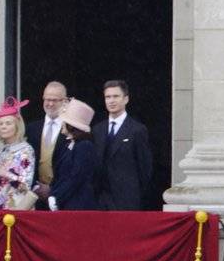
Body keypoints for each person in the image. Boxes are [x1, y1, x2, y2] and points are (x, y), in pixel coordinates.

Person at [93, 79, 153, 210]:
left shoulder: (137, 130)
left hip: (126, 200)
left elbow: (145, 169)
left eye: (116, 96)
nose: (111, 101)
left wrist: (133, 193)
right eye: (108, 97)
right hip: (100, 200)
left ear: (126, 99)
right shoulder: (98, 130)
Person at [48, 99, 99, 210]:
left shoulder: (85, 146)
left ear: (71, 126)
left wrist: (57, 197)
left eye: (64, 122)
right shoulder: (69, 145)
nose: (61, 124)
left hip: (78, 205)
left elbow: (76, 177)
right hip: (66, 203)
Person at [0, 97, 36, 211]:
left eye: (8, 123)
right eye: (0, 124)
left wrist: (3, 172)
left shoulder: (26, 150)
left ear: (17, 125)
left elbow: (25, 184)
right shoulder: (1, 151)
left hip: (16, 207)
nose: (3, 126)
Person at [27, 81, 69, 199]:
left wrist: (53, 189)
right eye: (47, 99)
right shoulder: (31, 129)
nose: (50, 103)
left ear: (65, 101)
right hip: (34, 195)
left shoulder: (72, 130)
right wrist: (35, 187)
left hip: (62, 195)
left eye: (55, 100)